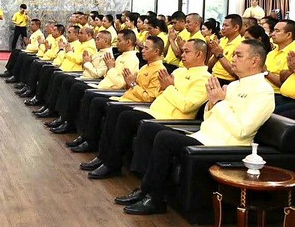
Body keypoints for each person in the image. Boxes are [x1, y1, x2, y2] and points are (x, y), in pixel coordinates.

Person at [117, 39, 274, 215]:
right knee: (153, 130)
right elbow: (209, 118)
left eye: (238, 55)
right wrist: (212, 104)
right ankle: (146, 190)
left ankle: (154, 199)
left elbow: (243, 130)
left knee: (164, 139)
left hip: (224, 145)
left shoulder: (263, 91)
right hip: (204, 136)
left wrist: (219, 103)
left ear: (254, 61)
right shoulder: (233, 85)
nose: (232, 58)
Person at [80, 39, 210, 178]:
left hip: (172, 118)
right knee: (116, 111)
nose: (182, 55)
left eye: (186, 51)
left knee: (126, 117)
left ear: (199, 54)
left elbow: (186, 106)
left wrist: (169, 87)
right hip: (153, 110)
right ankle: (104, 157)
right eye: (182, 51)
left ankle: (112, 164)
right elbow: (160, 93)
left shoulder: (204, 78)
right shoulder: (178, 71)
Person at [208, 14, 243, 86]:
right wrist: (216, 53)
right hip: (214, 76)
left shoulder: (241, 44)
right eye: (223, 25)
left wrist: (220, 55)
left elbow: (234, 72)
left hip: (227, 81)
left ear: (236, 27)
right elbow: (209, 66)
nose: (223, 28)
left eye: (226, 25)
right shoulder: (222, 40)